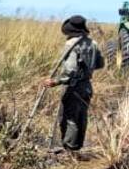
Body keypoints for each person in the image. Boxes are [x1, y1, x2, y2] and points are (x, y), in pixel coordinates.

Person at [44, 15, 103, 153]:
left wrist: (55, 81)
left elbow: (70, 70)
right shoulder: (92, 43)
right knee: (81, 116)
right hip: (87, 86)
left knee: (69, 117)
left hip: (73, 86)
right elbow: (100, 64)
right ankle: (77, 147)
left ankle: (70, 150)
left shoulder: (70, 44)